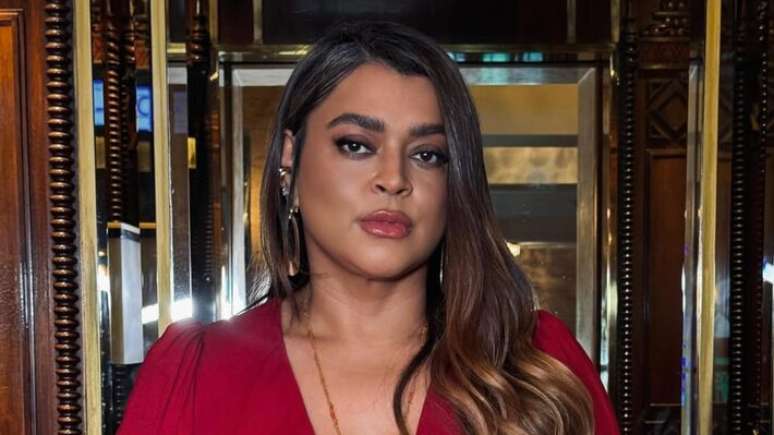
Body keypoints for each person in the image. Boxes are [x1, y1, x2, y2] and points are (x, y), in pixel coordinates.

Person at [118, 21, 619, 435]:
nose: (394, 179)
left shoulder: (536, 364)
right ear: (290, 158)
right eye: (356, 145)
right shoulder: (195, 373)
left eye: (427, 154)